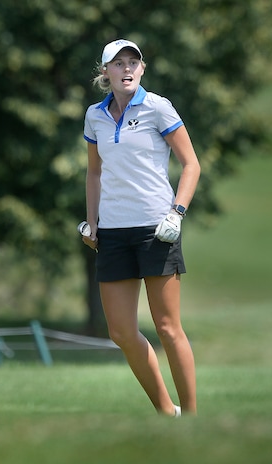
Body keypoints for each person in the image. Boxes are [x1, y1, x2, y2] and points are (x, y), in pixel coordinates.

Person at [82, 39, 200, 416]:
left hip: (156, 227)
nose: (127, 69)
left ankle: (194, 418)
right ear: (105, 73)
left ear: (142, 69)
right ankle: (168, 412)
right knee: (120, 333)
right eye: (118, 64)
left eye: (133, 62)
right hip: (114, 233)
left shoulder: (157, 107)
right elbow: (94, 172)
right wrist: (93, 223)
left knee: (167, 327)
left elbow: (191, 165)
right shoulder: (94, 116)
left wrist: (177, 212)